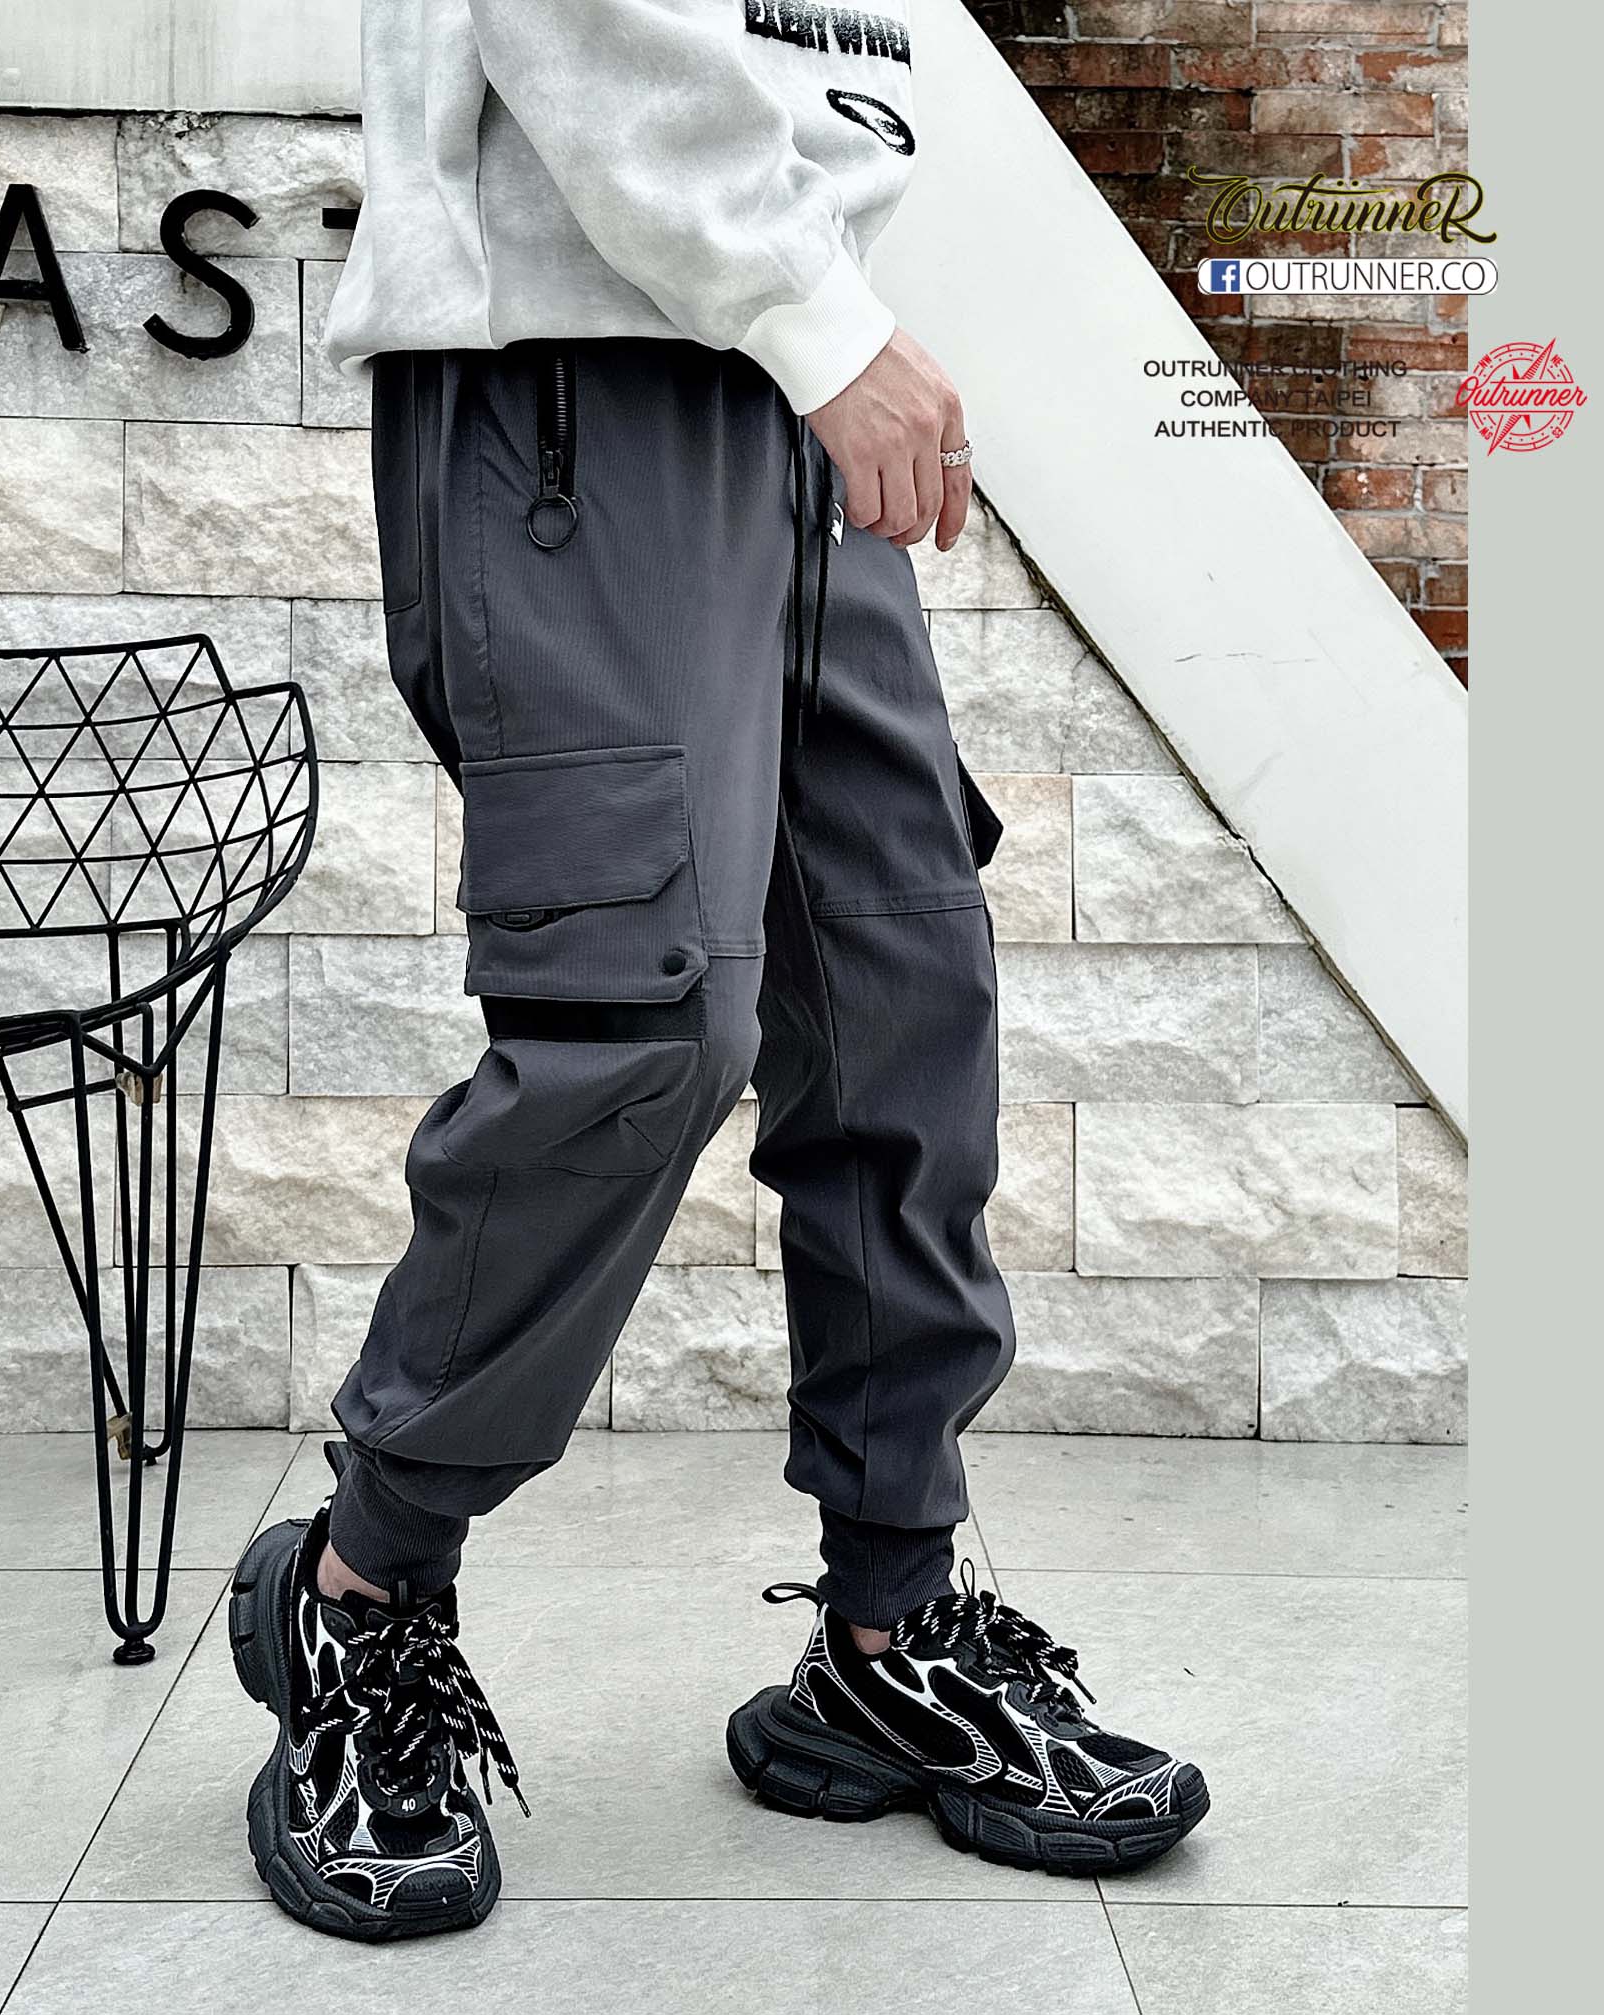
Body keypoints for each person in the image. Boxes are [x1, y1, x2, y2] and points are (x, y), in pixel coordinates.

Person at [226, 1, 1207, 1941]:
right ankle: (359, 1593)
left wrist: (818, 324)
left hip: (787, 384)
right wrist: (818, 317)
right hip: (577, 377)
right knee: (645, 1019)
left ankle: (887, 1631)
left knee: (899, 994)